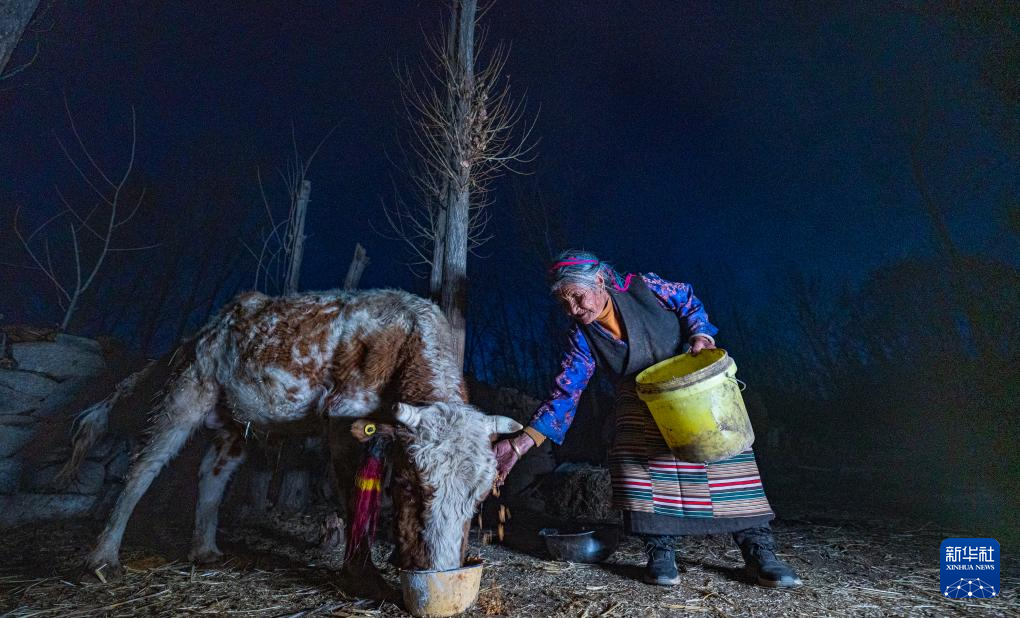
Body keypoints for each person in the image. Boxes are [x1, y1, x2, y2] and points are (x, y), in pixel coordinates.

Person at [494, 250, 802, 588]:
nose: (573, 310)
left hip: (689, 387)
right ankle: (660, 553)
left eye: (578, 298)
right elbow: (566, 393)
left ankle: (759, 552)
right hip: (638, 401)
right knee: (637, 464)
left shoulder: (645, 287)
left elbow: (687, 300)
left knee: (727, 462)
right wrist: (519, 444)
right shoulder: (581, 337)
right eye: (563, 303)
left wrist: (700, 335)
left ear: (600, 282)